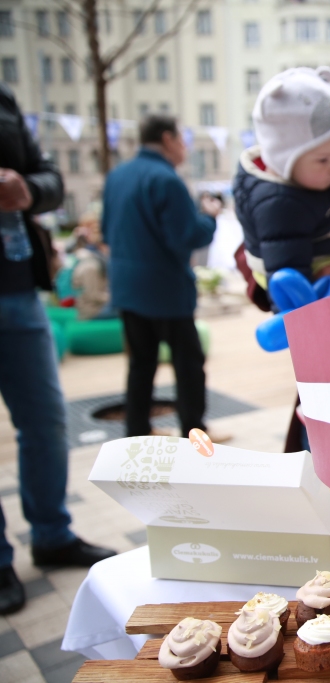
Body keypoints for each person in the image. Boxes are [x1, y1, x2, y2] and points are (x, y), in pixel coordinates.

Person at [0, 84, 115, 615]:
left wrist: (29, 188)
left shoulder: (3, 101)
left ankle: (50, 533)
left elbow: (50, 177)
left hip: (19, 287)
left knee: (46, 420)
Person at [233, 66, 330, 336]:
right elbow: (286, 276)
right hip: (314, 294)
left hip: (328, 280)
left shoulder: (301, 184)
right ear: (282, 158)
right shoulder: (281, 204)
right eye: (325, 159)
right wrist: (302, 321)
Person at [103, 115, 220, 439]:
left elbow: (105, 230)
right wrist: (209, 218)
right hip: (165, 291)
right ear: (168, 139)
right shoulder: (166, 180)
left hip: (126, 286)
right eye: (182, 139)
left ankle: (137, 429)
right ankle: (195, 433)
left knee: (141, 364)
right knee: (188, 366)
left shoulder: (117, 176)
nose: (184, 146)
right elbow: (187, 236)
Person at [70, 216, 115, 320]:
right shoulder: (91, 265)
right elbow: (93, 295)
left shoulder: (98, 261)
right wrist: (117, 298)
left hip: (95, 305)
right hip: (91, 310)